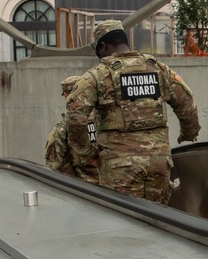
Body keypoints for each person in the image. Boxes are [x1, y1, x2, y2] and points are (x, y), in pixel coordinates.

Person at [67, 20, 200, 205]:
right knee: (159, 220)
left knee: (124, 224)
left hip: (119, 167)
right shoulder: (158, 69)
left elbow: (75, 115)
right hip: (159, 162)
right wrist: (188, 133)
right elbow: (186, 102)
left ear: (103, 46)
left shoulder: (98, 75)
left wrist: (87, 152)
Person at [44, 75, 99, 184]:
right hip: (114, 190)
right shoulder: (106, 118)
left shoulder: (63, 126)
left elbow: (53, 165)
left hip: (82, 190)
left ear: (66, 96)